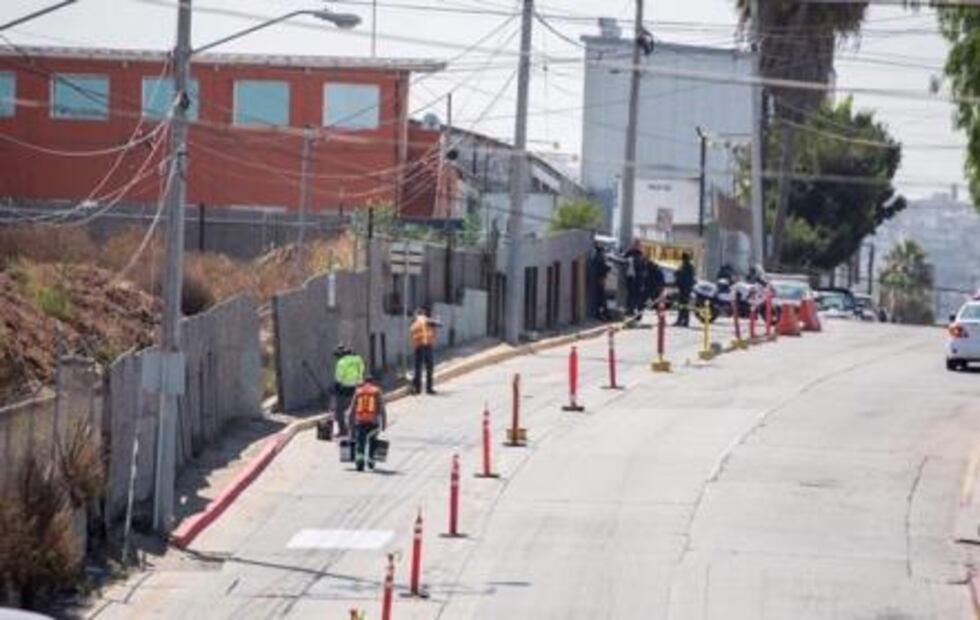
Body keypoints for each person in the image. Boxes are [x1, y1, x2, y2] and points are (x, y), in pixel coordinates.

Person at [347, 374, 387, 471]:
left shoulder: (358, 391)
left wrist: (350, 425)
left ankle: (360, 460)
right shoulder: (376, 391)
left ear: (364, 382)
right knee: (373, 440)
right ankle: (371, 459)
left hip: (360, 422)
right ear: (373, 382)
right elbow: (382, 409)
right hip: (373, 422)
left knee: (360, 442)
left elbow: (351, 411)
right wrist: (384, 424)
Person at [333, 344, 364, 437]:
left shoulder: (341, 362)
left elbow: (338, 378)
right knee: (355, 410)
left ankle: (343, 430)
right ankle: (356, 429)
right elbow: (361, 371)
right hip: (357, 388)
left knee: (339, 411)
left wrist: (335, 387)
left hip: (344, 390)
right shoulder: (358, 360)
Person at [410, 307, 440, 394]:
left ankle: (417, 389)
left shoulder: (414, 323)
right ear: (423, 313)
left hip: (418, 347)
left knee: (418, 368)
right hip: (427, 346)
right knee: (429, 368)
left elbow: (412, 334)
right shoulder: (427, 321)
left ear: (416, 314)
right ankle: (429, 389)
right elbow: (438, 324)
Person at [622, 239, 645, 316]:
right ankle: (630, 310)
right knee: (631, 294)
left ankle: (635, 311)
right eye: (635, 244)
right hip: (631, 277)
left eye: (638, 244)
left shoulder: (640, 255)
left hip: (637, 279)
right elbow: (622, 259)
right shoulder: (629, 253)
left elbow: (643, 269)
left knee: (636, 295)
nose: (636, 246)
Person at [589, 243, 611, 320]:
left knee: (600, 297)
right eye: (603, 251)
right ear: (600, 251)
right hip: (600, 279)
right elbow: (602, 269)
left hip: (597, 279)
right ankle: (603, 314)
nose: (603, 252)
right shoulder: (600, 258)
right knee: (601, 298)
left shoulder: (596, 258)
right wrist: (607, 268)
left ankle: (602, 314)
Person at [675, 252, 696, 327]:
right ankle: (681, 320)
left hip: (685, 289)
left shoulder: (688, 267)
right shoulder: (685, 266)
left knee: (685, 305)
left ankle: (684, 321)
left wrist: (678, 275)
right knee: (682, 305)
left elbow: (686, 278)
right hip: (683, 288)